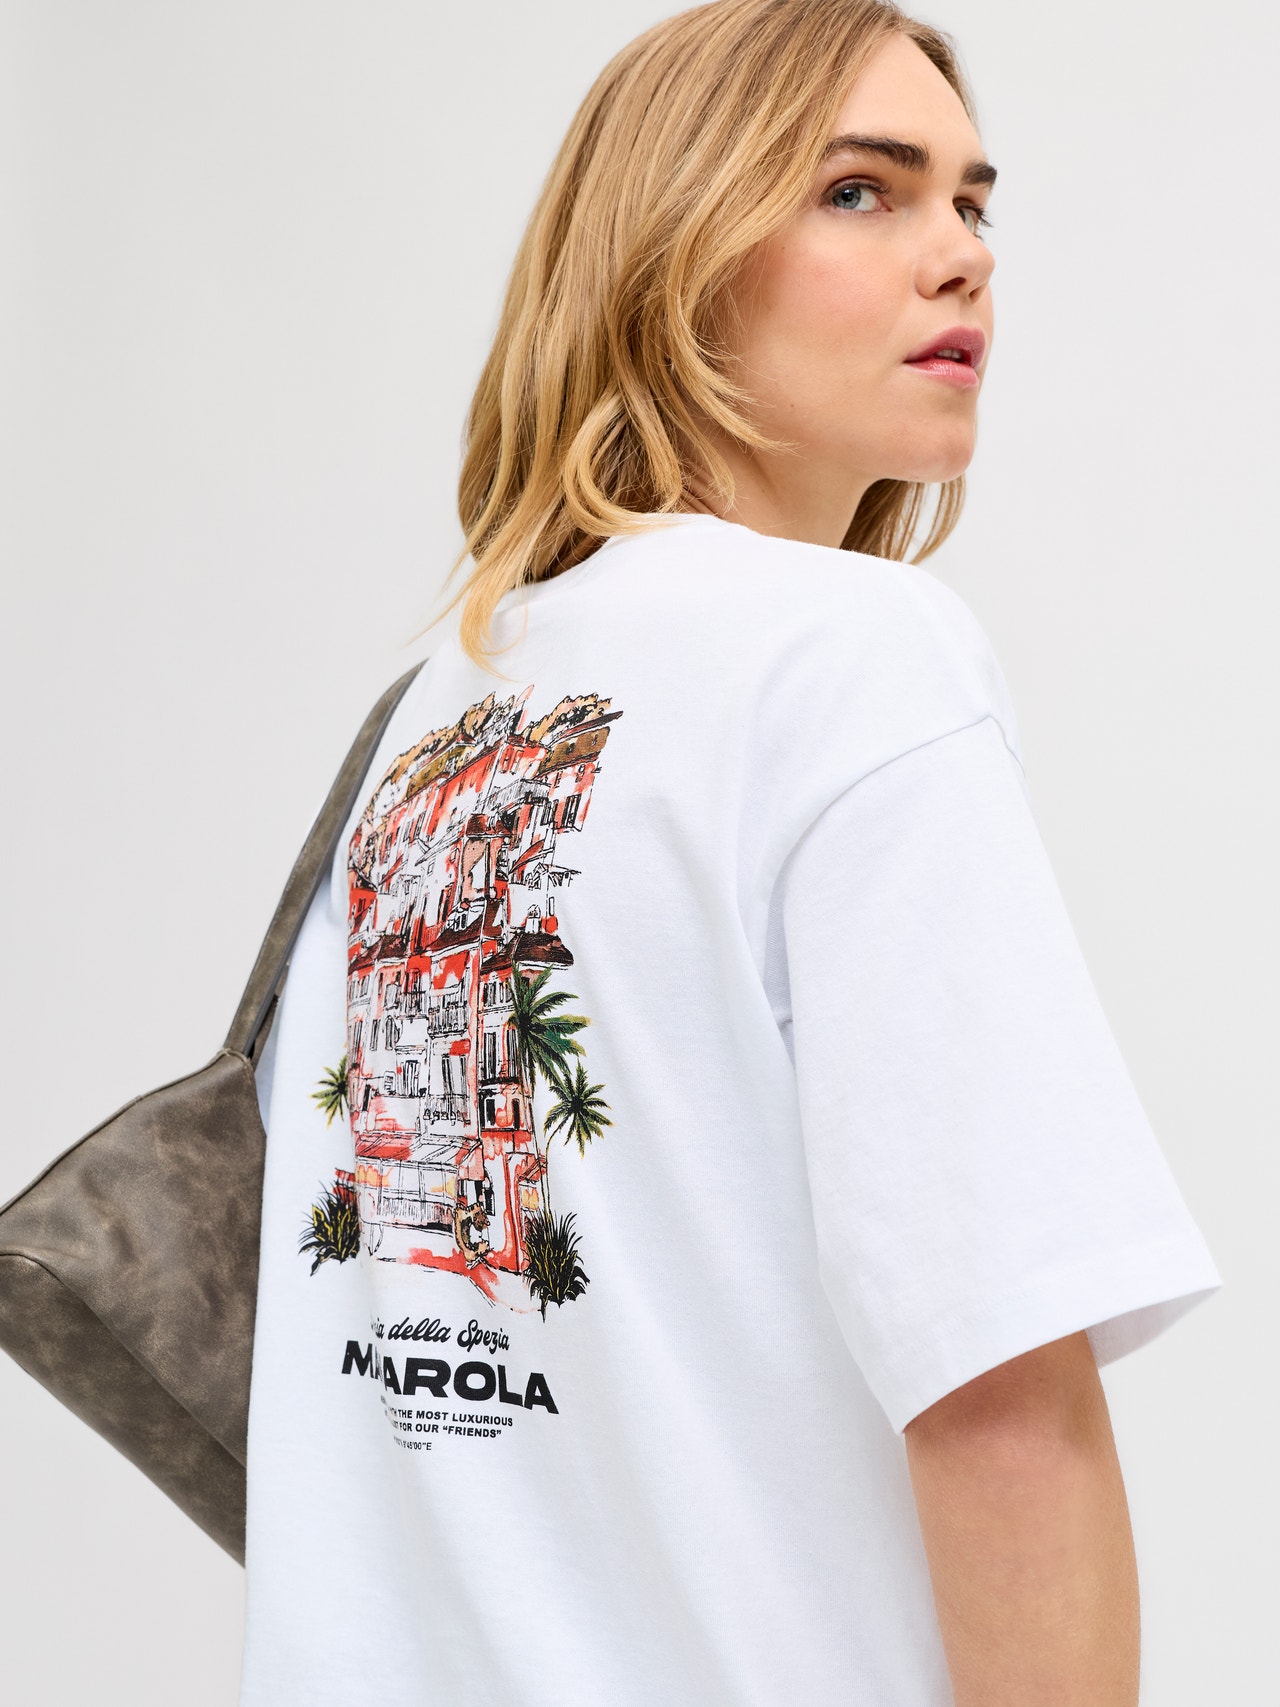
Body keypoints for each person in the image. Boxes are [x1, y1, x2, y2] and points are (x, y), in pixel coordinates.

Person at [241, 4, 1219, 1703]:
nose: (963, 256)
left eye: (972, 200)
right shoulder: (852, 658)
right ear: (674, 250)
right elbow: (997, 1387)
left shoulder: (448, 696)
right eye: (861, 191)